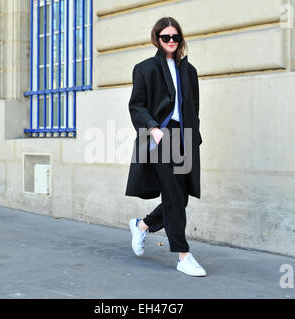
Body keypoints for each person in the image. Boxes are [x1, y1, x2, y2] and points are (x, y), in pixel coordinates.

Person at [125, 17, 206, 277]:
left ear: (180, 39)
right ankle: (183, 256)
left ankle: (143, 225)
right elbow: (136, 105)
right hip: (161, 136)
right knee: (172, 193)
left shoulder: (189, 70)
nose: (171, 41)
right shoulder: (145, 68)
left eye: (175, 37)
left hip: (185, 136)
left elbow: (193, 107)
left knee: (180, 198)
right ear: (157, 39)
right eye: (166, 37)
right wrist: (153, 128)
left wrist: (195, 136)